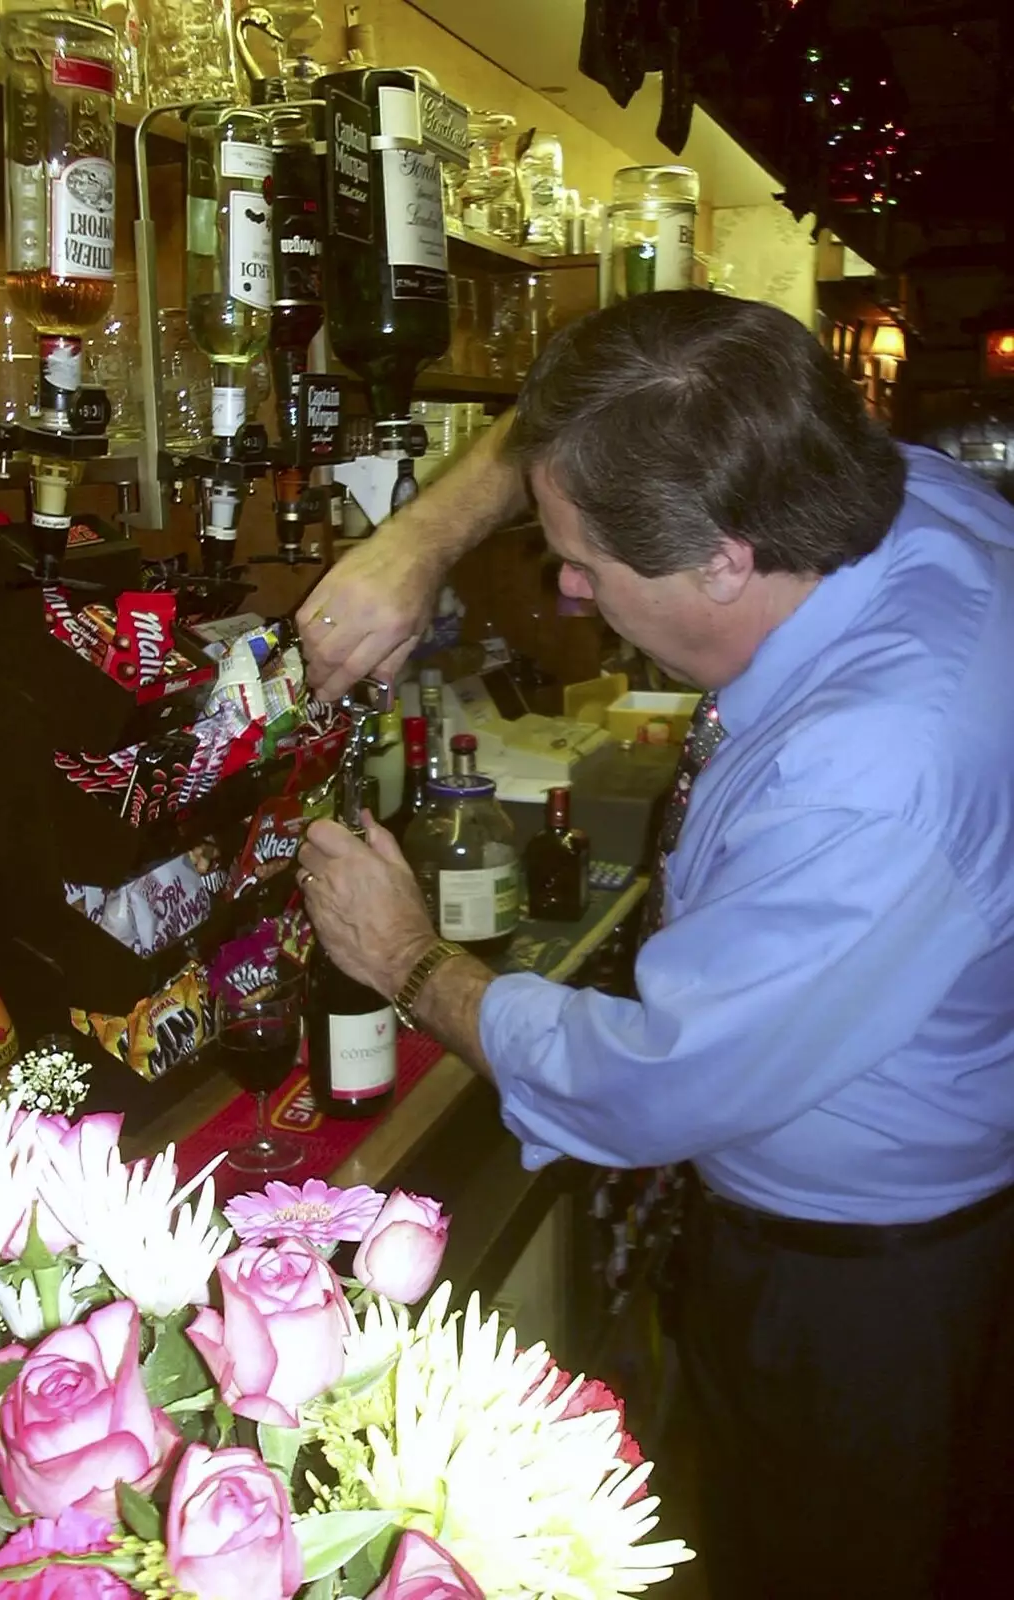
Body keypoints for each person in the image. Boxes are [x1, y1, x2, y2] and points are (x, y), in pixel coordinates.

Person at [294, 291, 1014, 1600]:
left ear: (722, 560)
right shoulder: (887, 494)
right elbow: (588, 419)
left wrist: (407, 959)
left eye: (585, 565)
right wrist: (423, 540)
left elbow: (643, 1082)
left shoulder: (873, 768)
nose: (564, 586)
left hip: (860, 1294)